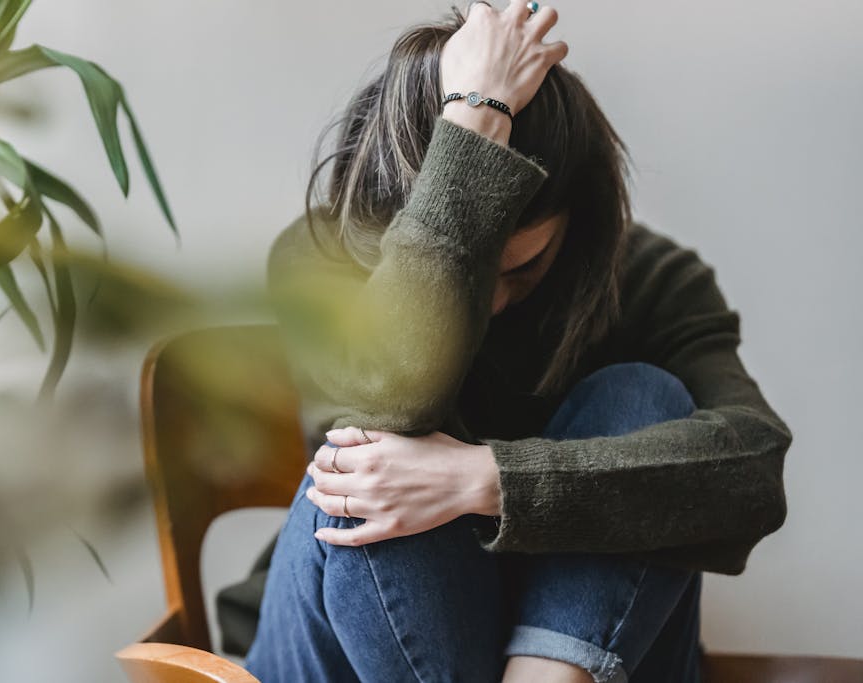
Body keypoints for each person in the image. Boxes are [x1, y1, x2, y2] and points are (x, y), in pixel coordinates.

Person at [217, 2, 792, 681]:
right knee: (369, 470)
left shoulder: (645, 277)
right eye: (472, 267)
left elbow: (751, 468)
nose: (491, 300)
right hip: (343, 650)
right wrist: (475, 121)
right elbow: (388, 408)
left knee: (642, 396)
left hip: (565, 659)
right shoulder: (322, 256)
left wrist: (485, 480)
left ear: (578, 221)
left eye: (521, 268)